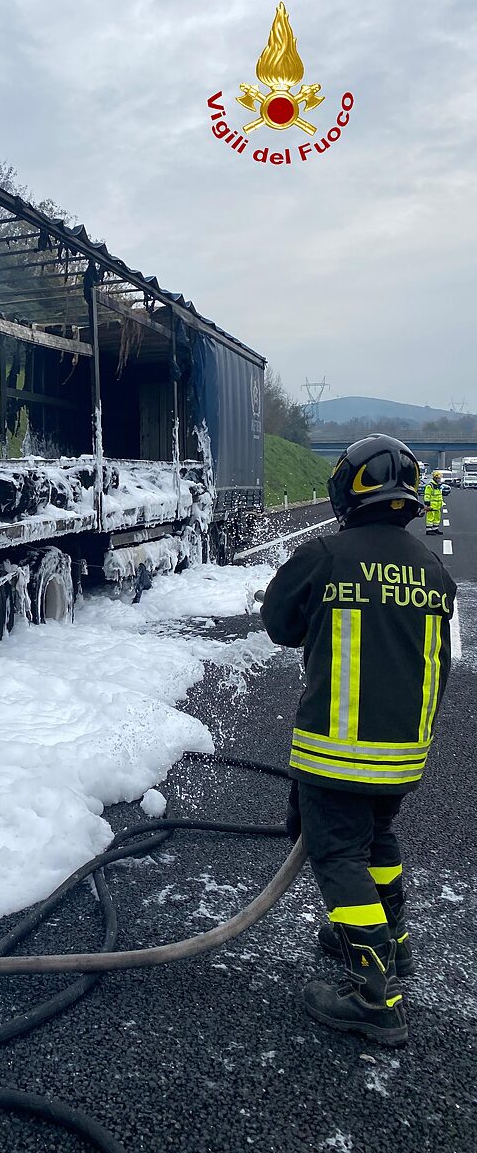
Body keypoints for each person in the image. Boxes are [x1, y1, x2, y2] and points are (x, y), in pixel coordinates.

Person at [260, 435, 456, 1047]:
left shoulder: (326, 555)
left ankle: (375, 993)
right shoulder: (433, 571)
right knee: (376, 838)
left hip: (336, 751)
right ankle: (390, 942)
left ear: (348, 492)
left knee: (336, 854)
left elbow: (277, 623)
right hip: (403, 755)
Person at [422, 469, 444, 535]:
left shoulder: (438, 486)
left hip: (437, 506)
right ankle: (429, 530)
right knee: (430, 518)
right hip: (431, 505)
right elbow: (427, 495)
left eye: (440, 478)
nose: (439, 480)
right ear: (435, 478)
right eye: (438, 478)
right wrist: (427, 503)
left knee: (437, 518)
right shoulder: (430, 486)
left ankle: (435, 529)